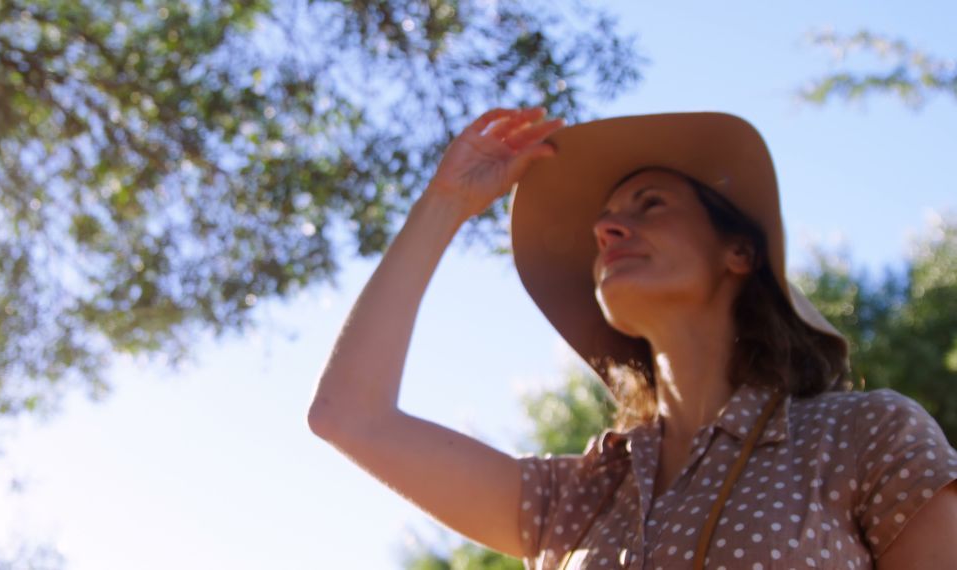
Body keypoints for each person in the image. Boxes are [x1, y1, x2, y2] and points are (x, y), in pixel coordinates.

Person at [306, 107, 957, 569]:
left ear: (740, 251)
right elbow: (348, 418)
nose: (609, 230)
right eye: (605, 223)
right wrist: (444, 203)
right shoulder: (569, 501)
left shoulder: (865, 436)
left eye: (649, 205)